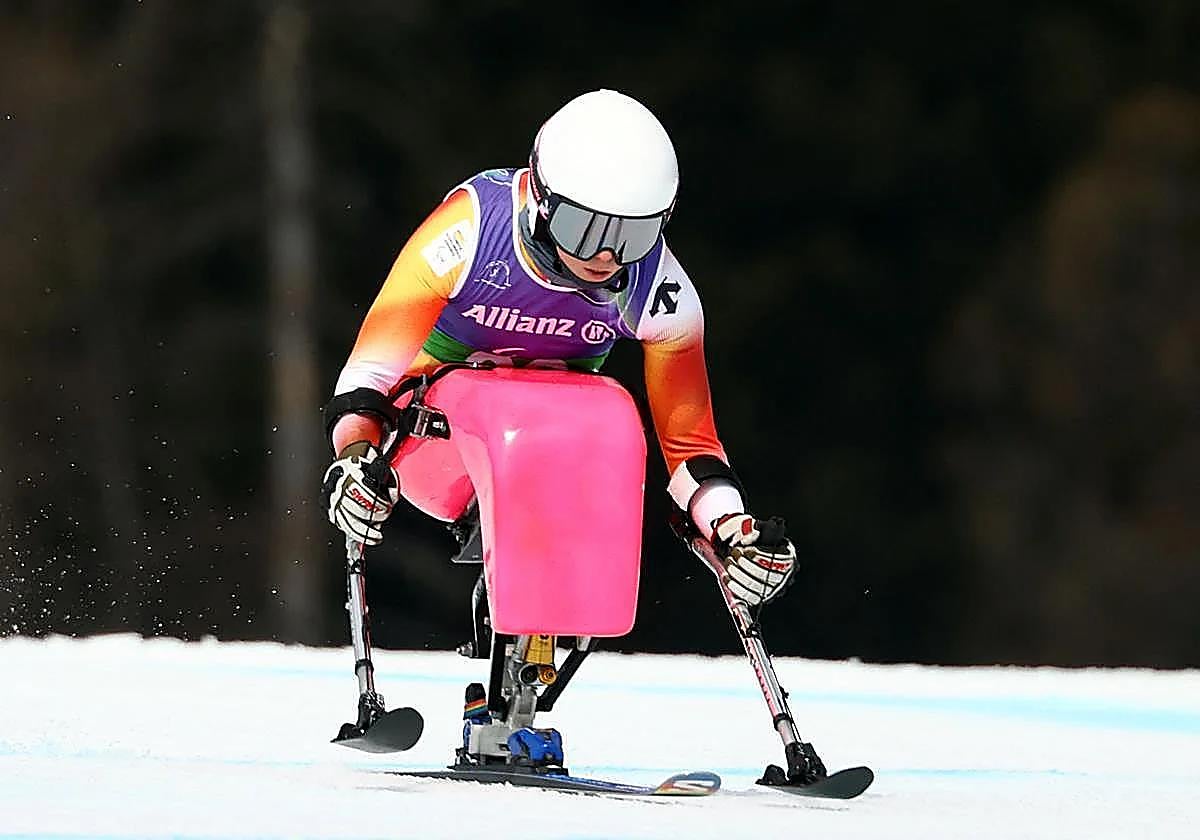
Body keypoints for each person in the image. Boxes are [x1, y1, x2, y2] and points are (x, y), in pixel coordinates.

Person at [320, 88, 796, 621]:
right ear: (543, 201)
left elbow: (689, 448)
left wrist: (732, 528)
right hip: (435, 446)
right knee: (495, 400)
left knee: (615, 416)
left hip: (557, 450)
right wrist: (356, 459)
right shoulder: (471, 233)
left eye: (635, 234)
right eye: (585, 228)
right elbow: (368, 373)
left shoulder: (662, 292)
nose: (607, 255)